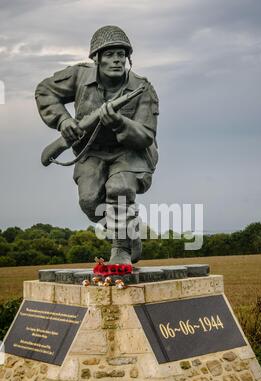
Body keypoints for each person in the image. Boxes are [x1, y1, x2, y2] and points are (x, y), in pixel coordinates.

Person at [35, 25, 159, 264]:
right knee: (90, 202)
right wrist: (63, 121)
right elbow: (44, 91)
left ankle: (120, 249)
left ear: (128, 58)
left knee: (119, 188)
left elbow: (145, 135)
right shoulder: (79, 76)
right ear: (97, 58)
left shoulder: (143, 89)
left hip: (131, 152)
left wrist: (120, 123)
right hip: (91, 151)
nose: (116, 61)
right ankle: (126, 231)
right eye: (110, 55)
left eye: (121, 55)